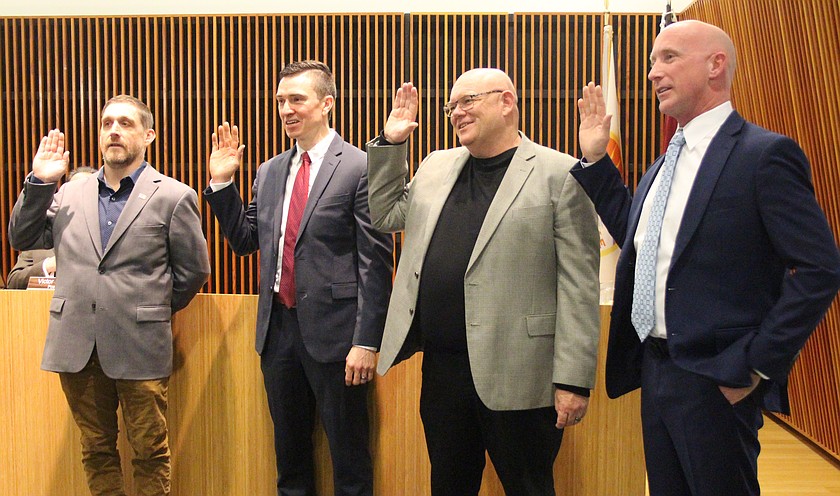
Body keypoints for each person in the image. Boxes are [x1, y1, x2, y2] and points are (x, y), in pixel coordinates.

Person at [574, 20, 840, 496]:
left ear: (716, 65)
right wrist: (596, 163)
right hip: (654, 373)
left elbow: (820, 270)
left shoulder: (764, 155)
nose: (653, 72)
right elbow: (641, 243)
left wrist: (757, 364)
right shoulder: (663, 161)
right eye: (653, 61)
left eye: (669, 58)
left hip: (718, 379)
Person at [366, 69, 600, 495]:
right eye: (452, 105)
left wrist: (573, 379)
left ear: (506, 102)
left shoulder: (560, 173)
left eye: (468, 101)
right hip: (443, 372)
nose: (456, 112)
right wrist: (392, 145)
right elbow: (385, 216)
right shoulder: (436, 165)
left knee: (529, 487)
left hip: (522, 374)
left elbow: (579, 285)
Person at [204, 60, 393, 496]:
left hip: (339, 337)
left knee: (349, 459)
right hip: (279, 333)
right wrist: (221, 183)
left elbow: (375, 262)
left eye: (296, 100)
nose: (286, 109)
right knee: (289, 460)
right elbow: (245, 239)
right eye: (280, 101)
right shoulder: (269, 171)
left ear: (326, 104)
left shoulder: (360, 167)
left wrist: (367, 341)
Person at [8, 95, 211, 496]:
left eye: (125, 123)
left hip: (140, 345)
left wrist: (149, 309)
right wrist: (40, 183)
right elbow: (22, 236)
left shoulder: (173, 195)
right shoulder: (68, 194)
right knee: (96, 449)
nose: (113, 130)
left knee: (149, 452)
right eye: (106, 124)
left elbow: (193, 271)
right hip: (77, 345)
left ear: (148, 135)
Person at [7, 167, 96, 289]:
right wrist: (47, 266)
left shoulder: (106, 236)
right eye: (76, 190)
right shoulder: (40, 238)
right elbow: (13, 282)